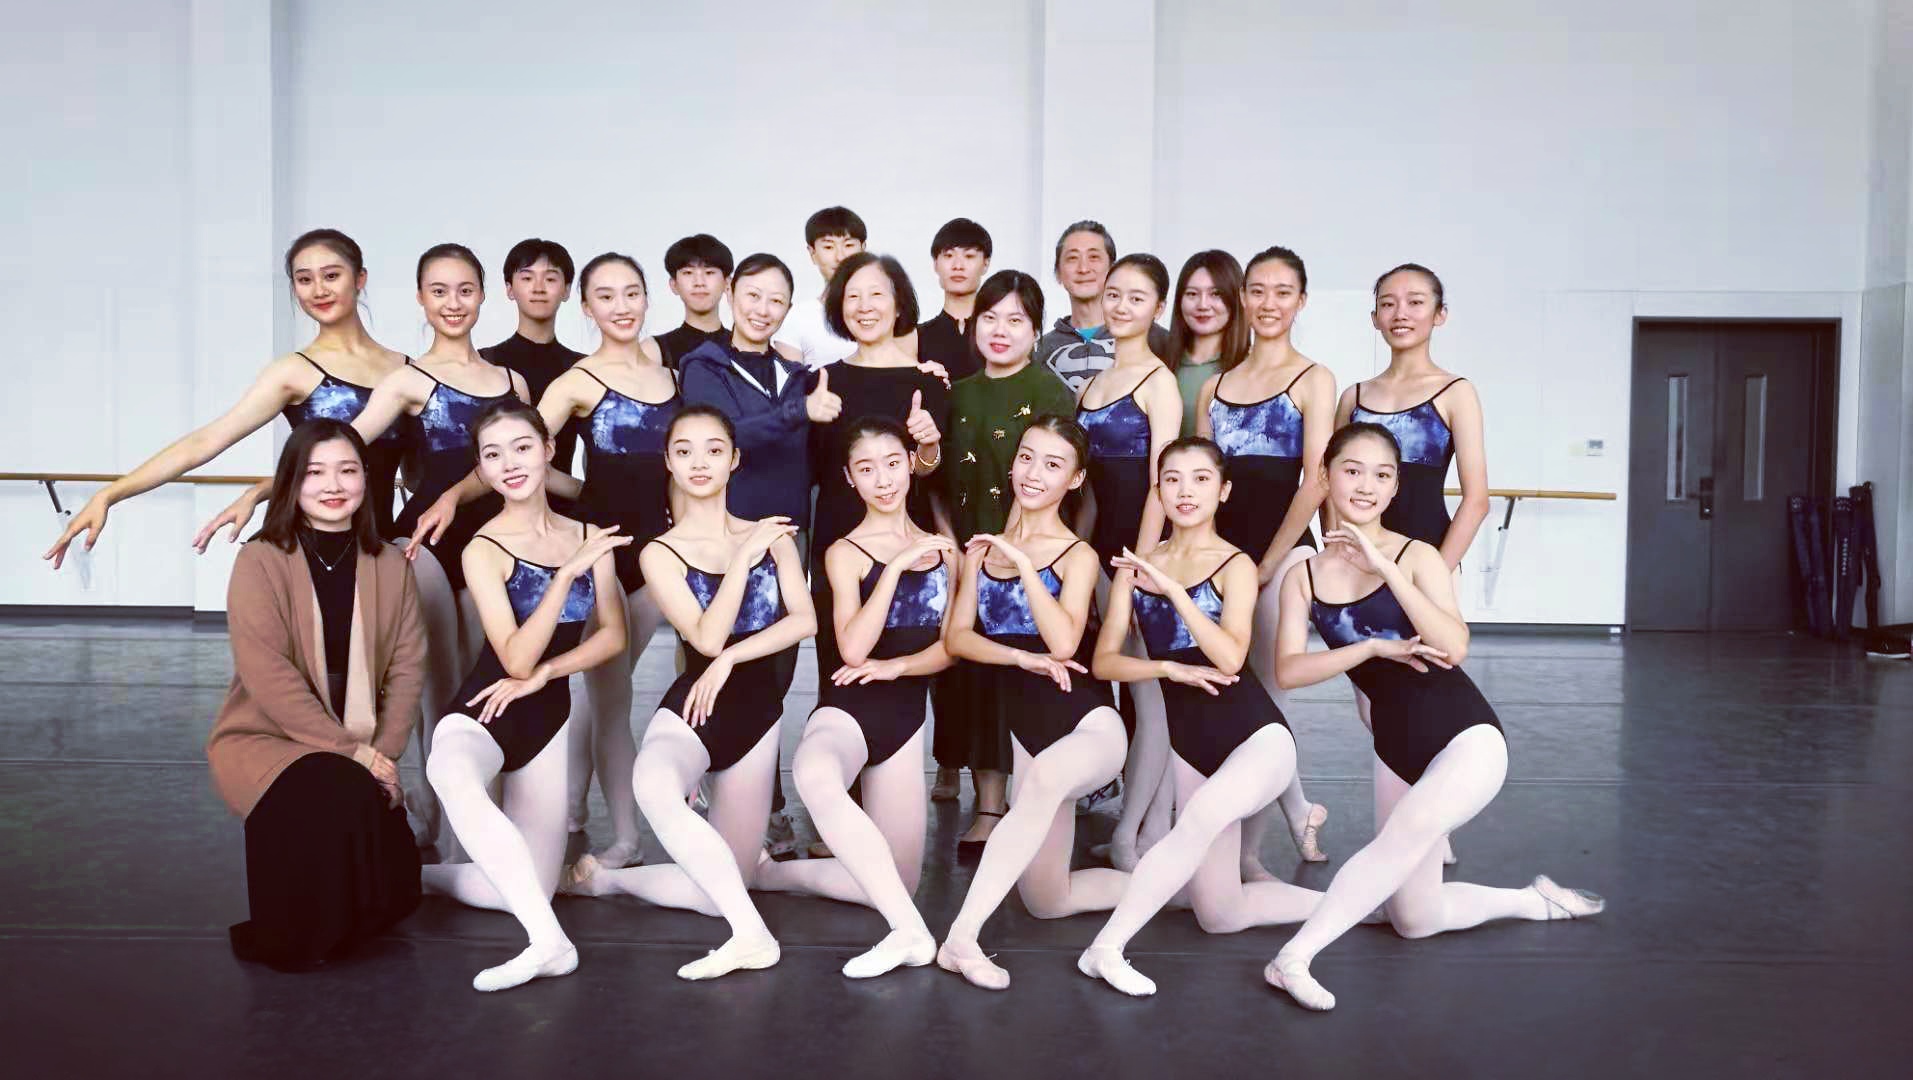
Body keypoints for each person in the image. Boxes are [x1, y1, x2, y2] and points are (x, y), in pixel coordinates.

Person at [1263, 422, 1603, 1011]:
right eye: (1352, 471)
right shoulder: (1304, 576)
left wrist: (1386, 567)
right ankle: (1535, 901)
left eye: (1382, 475)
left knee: (1398, 841)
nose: (1366, 486)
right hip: (1395, 744)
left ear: (1395, 488)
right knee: (1415, 919)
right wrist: (1371, 648)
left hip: (1466, 736)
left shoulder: (1417, 555)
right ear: (1324, 477)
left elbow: (1454, 645)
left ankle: (1292, 958)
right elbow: (1289, 671)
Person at [562, 406, 816, 981]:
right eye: (684, 451)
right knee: (653, 783)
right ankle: (753, 937)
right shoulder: (659, 552)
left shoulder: (772, 536)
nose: (699, 462)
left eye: (713, 450)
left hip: (756, 714)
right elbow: (704, 637)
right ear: (669, 463)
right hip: (696, 705)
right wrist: (742, 564)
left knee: (721, 888)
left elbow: (804, 620)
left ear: (735, 459)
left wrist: (731, 658)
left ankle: (607, 882)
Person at [1077, 437, 1323, 997]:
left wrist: (1174, 593)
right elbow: (1106, 660)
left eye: (1201, 479)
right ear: (1159, 490)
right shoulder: (1136, 570)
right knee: (1219, 913)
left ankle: (1105, 949)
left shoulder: (1236, 565)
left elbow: (1230, 658)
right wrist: (1166, 667)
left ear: (1223, 491)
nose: (1185, 491)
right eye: (1172, 479)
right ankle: (1350, 904)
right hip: (1193, 746)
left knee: (1191, 825)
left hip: (1256, 737)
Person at [419, 399, 629, 992]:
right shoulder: (482, 548)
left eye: (521, 447)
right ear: (482, 471)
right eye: (492, 455)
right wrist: (564, 577)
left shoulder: (589, 536)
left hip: (545, 716)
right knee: (450, 771)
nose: (509, 463)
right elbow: (513, 659)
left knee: (527, 888)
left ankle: (418, 877)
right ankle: (550, 944)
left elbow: (612, 636)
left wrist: (550, 672)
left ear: (548, 451)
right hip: (484, 710)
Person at [45, 228, 409, 568]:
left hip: (381, 542)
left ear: (359, 279)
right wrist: (109, 495)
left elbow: (420, 471)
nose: (318, 290)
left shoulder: (406, 370)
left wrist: (262, 489)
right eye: (304, 279)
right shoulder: (293, 371)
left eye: (331, 276)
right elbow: (204, 442)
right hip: (310, 546)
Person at [208, 419, 425, 972]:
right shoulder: (261, 559)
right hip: (268, 734)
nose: (333, 485)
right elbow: (267, 675)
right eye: (315, 472)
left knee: (397, 888)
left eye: (347, 471)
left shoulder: (389, 564)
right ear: (291, 482)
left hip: (358, 734)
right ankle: (297, 935)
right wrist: (353, 754)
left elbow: (407, 668)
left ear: (366, 480)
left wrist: (383, 755)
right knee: (332, 789)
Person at [754, 418, 956, 978]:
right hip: (848, 712)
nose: (883, 480)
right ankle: (910, 935)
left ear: (911, 463)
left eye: (892, 463)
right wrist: (893, 569)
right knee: (815, 776)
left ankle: (768, 874)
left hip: (904, 724)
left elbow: (951, 648)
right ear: (849, 478)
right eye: (866, 469)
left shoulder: (945, 552)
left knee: (897, 882)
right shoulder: (844, 552)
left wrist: (899, 666)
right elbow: (853, 648)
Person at [936, 417, 1125, 991]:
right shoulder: (981, 552)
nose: (1034, 473)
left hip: (1087, 726)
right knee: (1047, 900)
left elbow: (1064, 642)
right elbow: (957, 638)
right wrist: (1019, 658)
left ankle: (960, 939)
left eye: (1053, 464)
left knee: (1041, 780)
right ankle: (1176, 882)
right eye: (1027, 457)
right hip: (1031, 736)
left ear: (1075, 480)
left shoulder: (1076, 555)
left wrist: (1022, 565)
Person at [1337, 262, 1489, 864]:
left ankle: (1429, 822)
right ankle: (1409, 811)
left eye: (1416, 301)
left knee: (1427, 691)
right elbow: (1330, 485)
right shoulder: (1353, 397)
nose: (1401, 313)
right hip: (1360, 571)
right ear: (1374, 316)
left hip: (1425, 562)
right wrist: (1336, 556)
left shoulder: (1455, 392)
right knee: (1373, 698)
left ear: (1439, 315)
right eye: (1388, 302)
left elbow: (1475, 499)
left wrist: (1435, 576)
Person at [1194, 245, 1336, 870]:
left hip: (1281, 559)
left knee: (1270, 703)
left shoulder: (1313, 379)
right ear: (1243, 299)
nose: (1268, 303)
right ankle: (1298, 810)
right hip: (1221, 558)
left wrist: (1269, 564)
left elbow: (1316, 480)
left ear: (1300, 301)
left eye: (1282, 292)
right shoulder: (1215, 387)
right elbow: (1198, 482)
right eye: (1257, 290)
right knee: (1231, 695)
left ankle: (1248, 855)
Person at [932, 271, 1076, 843]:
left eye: (1015, 320)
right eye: (990, 317)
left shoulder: (1050, 393)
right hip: (966, 553)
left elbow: (1062, 479)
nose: (1000, 330)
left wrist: (1026, 556)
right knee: (967, 674)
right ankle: (985, 799)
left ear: (1035, 329)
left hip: (1025, 558)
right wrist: (953, 549)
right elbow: (937, 483)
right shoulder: (959, 393)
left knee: (1013, 676)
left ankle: (1015, 803)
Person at [1074, 253, 1179, 872]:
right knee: (1117, 685)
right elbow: (1089, 489)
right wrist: (1077, 554)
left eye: (1136, 298)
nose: (1120, 306)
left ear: (1157, 308)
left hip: (1139, 555)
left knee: (1150, 697)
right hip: (1097, 553)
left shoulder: (1158, 382)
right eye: (1113, 294)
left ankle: (1134, 833)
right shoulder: (1093, 384)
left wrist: (1137, 567)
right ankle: (1140, 827)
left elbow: (1161, 484)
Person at [679, 253, 829, 535]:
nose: (763, 310)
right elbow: (721, 438)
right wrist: (798, 411)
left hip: (791, 532)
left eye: (776, 301)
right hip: (728, 533)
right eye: (753, 296)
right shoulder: (704, 366)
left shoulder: (796, 376)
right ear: (730, 292)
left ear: (788, 309)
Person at [481, 238, 585, 474]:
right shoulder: (485, 362)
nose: (538, 288)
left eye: (550, 279)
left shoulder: (584, 368)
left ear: (567, 290)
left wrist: (584, 492)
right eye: (527, 278)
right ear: (509, 289)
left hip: (563, 496)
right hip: (494, 494)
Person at [1036, 221, 1171, 394]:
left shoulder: (1155, 339)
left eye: (1094, 257)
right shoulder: (1041, 349)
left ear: (1112, 270)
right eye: (1072, 258)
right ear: (1058, 273)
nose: (1083, 268)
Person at [775, 206, 868, 369]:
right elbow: (788, 383)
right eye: (828, 247)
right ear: (812, 253)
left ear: (863, 248)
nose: (840, 257)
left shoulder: (884, 311)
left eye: (848, 245)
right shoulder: (797, 318)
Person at [1167, 250, 1248, 436]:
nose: (1203, 305)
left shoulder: (1250, 367)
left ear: (1236, 299)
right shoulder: (1160, 365)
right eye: (1192, 294)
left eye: (1216, 294)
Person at [915, 217, 991, 383]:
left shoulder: (998, 335)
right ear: (936, 264)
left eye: (969, 256)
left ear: (986, 264)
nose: (958, 266)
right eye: (948, 255)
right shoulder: (915, 337)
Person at [656, 233, 734, 371]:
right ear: (674, 285)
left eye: (709, 272)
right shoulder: (655, 350)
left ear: (727, 283)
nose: (699, 282)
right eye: (688, 273)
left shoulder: (745, 347)